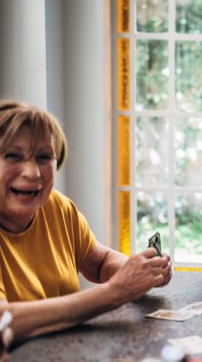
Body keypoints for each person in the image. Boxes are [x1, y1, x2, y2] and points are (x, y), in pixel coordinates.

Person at [0, 101, 172, 344]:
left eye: (43, 157)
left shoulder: (57, 207)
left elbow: (100, 263)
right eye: (13, 156)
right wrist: (115, 292)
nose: (33, 172)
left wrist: (138, 273)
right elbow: (5, 322)